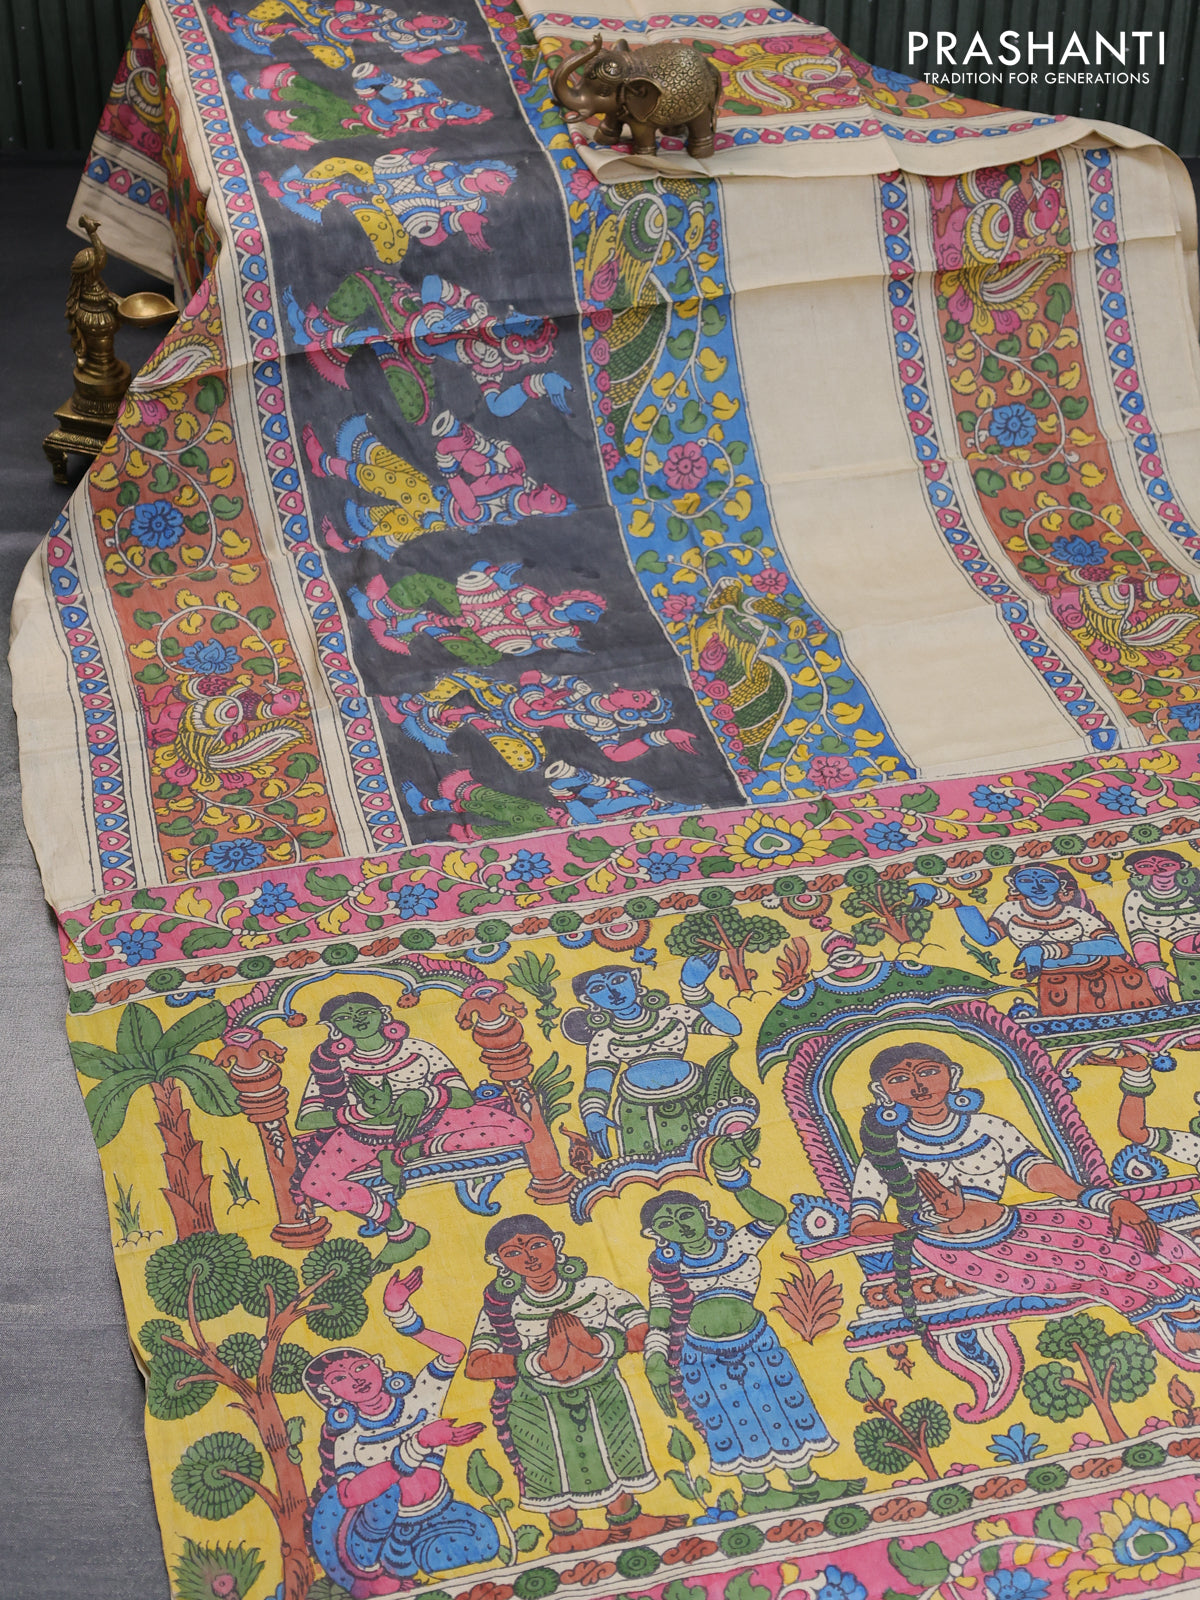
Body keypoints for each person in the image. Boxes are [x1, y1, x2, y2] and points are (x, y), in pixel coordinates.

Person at [848, 1041, 1200, 1366]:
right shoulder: (883, 1151)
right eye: (899, 1079)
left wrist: (1109, 1201)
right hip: (958, 1250)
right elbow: (862, 1225)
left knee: (1136, 1239)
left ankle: (1187, 1309)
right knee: (1094, 1270)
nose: (918, 1086)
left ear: (952, 1074)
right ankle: (1177, 1325)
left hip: (1018, 1224)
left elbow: (1042, 1176)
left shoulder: (988, 1127)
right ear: (882, 1092)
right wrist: (931, 1223)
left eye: (928, 1072)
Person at [639, 1143, 863, 1512]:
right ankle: (757, 1493)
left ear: (703, 1211)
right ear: (655, 1235)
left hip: (758, 1344)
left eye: (685, 1214)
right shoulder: (666, 1274)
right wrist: (654, 1360)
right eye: (666, 1224)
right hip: (702, 1357)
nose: (681, 1225)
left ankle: (806, 1482)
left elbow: (773, 1216)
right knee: (731, 1418)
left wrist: (733, 1177)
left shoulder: (736, 1246)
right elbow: (660, 1320)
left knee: (784, 1407)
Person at [463, 1215, 685, 1553]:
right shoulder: (504, 1309)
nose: (529, 1257)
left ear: (557, 1243)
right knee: (549, 1463)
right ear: (498, 1262)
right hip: (535, 1403)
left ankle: (627, 1520)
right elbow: (476, 1365)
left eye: (537, 1245)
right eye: (513, 1253)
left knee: (616, 1451)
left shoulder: (593, 1289)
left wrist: (596, 1346)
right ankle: (565, 1534)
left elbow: (645, 1331)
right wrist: (540, 1362)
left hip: (602, 1389)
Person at [294, 992, 532, 1268]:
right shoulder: (334, 1067)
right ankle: (400, 1231)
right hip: (363, 1138)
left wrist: (427, 1095)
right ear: (334, 1029)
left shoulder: (417, 1050)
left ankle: (405, 1155)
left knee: (518, 1130)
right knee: (315, 1184)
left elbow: (463, 1097)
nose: (357, 1020)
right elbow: (306, 1120)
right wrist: (361, 1112)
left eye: (364, 1013)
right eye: (344, 1017)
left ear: (384, 1014)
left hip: (431, 1124)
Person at [304, 1267, 497, 1597]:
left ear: (379, 1366)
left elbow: (453, 1352)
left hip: (438, 1511)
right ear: (330, 1395)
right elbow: (349, 1495)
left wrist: (402, 1316)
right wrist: (418, 1444)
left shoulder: (419, 1399)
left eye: (360, 1367)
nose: (356, 1379)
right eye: (339, 1379)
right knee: (385, 1494)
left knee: (485, 1543)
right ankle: (376, 1567)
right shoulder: (350, 1438)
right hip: (377, 1532)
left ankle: (408, 1559)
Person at [563, 955, 749, 1162]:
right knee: (655, 1163)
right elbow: (599, 1078)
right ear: (587, 999)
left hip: (696, 1096)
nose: (613, 992)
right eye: (598, 989)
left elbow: (731, 1028)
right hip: (640, 1111)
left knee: (717, 1153)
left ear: (635, 978)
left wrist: (694, 990)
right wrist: (593, 1113)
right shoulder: (605, 1037)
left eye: (618, 980)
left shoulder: (672, 1014)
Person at [915, 863, 1158, 1015]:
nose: (1037, 885)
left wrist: (1051, 950)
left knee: (1131, 981)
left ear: (1059, 885)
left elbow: (1113, 945)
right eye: (1027, 880)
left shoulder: (1074, 913)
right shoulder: (1010, 911)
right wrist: (945, 898)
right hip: (1054, 975)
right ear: (1014, 885)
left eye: (1045, 880)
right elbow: (987, 938)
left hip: (1097, 968)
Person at [1122, 848, 1200, 1001]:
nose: (1157, 870)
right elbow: (1142, 936)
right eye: (1145, 866)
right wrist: (1153, 968)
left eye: (1167, 864)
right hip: (1186, 962)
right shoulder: (1135, 898)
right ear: (1133, 871)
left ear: (1182, 866)